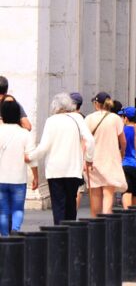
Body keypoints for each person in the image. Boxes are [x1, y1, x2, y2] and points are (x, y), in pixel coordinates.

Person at [28, 93, 95, 223]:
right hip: (73, 169)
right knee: (71, 203)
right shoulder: (77, 118)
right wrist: (88, 159)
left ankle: (58, 235)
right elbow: (90, 141)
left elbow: (43, 147)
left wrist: (30, 156)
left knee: (58, 205)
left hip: (55, 170)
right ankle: (70, 233)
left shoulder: (51, 120)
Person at [84, 93, 127, 215]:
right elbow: (123, 141)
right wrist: (122, 153)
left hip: (92, 160)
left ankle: (95, 221)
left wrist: (83, 159)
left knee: (95, 193)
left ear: (97, 104)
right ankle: (107, 220)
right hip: (110, 158)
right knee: (108, 192)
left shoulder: (89, 118)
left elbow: (84, 141)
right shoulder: (115, 119)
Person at [0, 99, 37, 235]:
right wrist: (36, 177)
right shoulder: (25, 134)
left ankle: (4, 236)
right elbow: (31, 158)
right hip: (18, 179)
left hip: (1, 179)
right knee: (17, 209)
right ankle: (15, 229)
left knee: (3, 211)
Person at [119, 106, 136, 208]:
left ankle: (127, 216)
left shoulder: (122, 131)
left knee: (127, 192)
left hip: (125, 164)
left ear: (126, 118)